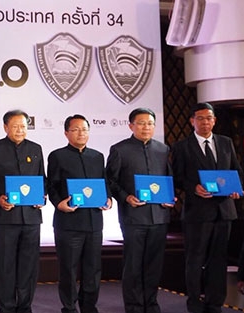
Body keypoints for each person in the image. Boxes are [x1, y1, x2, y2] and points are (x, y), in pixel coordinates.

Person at [171, 103, 242, 313]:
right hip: (197, 213)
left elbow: (236, 171)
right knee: (195, 259)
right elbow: (177, 177)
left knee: (219, 260)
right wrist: (194, 187)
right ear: (192, 121)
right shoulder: (181, 147)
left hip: (224, 211)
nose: (205, 122)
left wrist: (237, 189)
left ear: (214, 120)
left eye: (209, 118)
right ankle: (194, 303)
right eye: (200, 118)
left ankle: (215, 303)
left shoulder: (226, 142)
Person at [106, 107, 172, 313]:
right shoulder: (119, 150)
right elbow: (110, 181)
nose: (146, 127)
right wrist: (126, 197)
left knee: (154, 264)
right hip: (133, 217)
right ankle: (134, 306)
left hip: (160, 216)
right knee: (133, 265)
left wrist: (170, 198)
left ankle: (151, 304)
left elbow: (168, 179)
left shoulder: (163, 150)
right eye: (141, 123)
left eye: (150, 123)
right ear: (131, 125)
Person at [0, 109, 45, 313]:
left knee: (29, 267)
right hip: (4, 218)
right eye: (15, 126)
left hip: (31, 219)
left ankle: (25, 306)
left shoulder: (36, 148)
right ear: (6, 127)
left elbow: (41, 178)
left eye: (24, 126)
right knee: (5, 266)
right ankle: (6, 307)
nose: (20, 130)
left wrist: (42, 197)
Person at [46, 115, 111, 313]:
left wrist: (108, 199)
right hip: (69, 223)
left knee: (93, 269)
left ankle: (89, 306)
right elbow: (52, 185)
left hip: (94, 223)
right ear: (66, 133)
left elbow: (104, 183)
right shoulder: (57, 156)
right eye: (75, 129)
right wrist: (59, 204)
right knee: (68, 269)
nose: (81, 133)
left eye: (84, 129)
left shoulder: (97, 156)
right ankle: (69, 307)